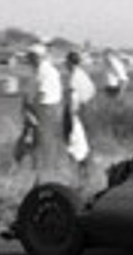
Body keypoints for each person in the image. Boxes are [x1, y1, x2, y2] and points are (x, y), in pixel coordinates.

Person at [17, 43, 65, 177]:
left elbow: (42, 95)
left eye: (30, 57)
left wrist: (30, 111)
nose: (28, 60)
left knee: (44, 143)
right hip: (41, 110)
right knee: (35, 142)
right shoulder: (38, 71)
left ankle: (45, 173)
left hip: (45, 110)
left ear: (36, 57)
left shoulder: (46, 71)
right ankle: (38, 170)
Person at [63, 50, 98, 172]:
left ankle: (80, 173)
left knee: (75, 145)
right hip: (86, 111)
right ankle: (87, 171)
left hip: (76, 114)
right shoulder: (83, 75)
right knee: (83, 144)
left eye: (66, 62)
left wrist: (71, 118)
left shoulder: (73, 78)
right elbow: (93, 91)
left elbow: (73, 99)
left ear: (69, 63)